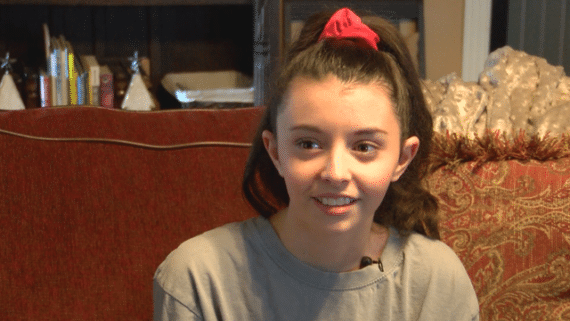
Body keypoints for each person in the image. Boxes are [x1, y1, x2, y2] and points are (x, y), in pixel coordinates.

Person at [153, 7, 479, 321]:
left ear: (402, 158)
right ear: (276, 151)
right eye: (308, 144)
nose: (335, 173)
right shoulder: (197, 277)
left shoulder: (437, 281)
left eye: (364, 147)